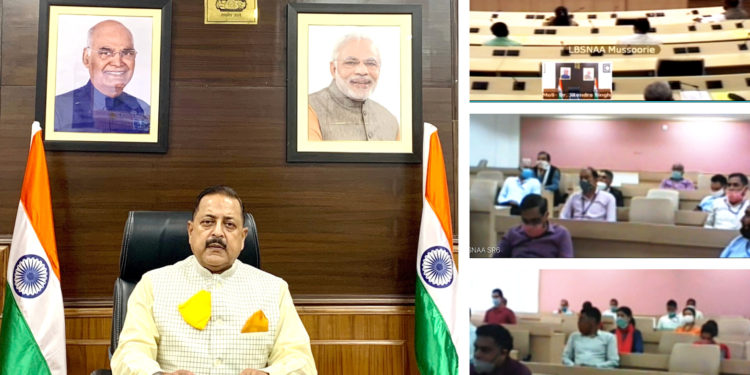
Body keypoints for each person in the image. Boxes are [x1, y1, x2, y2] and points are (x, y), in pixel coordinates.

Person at [111, 186, 317, 374]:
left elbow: (300, 360)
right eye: (208, 222)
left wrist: (270, 374)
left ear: (243, 237)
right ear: (191, 231)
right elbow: (130, 353)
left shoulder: (274, 289)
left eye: (229, 224)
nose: (217, 232)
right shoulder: (153, 284)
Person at [55, 20, 150, 133]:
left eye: (127, 53)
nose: (118, 63)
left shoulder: (144, 110)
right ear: (86, 58)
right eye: (106, 53)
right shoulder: (58, 110)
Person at [308, 34, 398, 141]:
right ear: (333, 69)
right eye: (351, 62)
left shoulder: (390, 121)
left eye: (371, 63)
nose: (362, 71)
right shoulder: (308, 109)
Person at [495, 194, 574, 258]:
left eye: (535, 221)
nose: (530, 226)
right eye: (526, 221)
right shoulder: (512, 233)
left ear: (546, 216)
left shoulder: (561, 234)